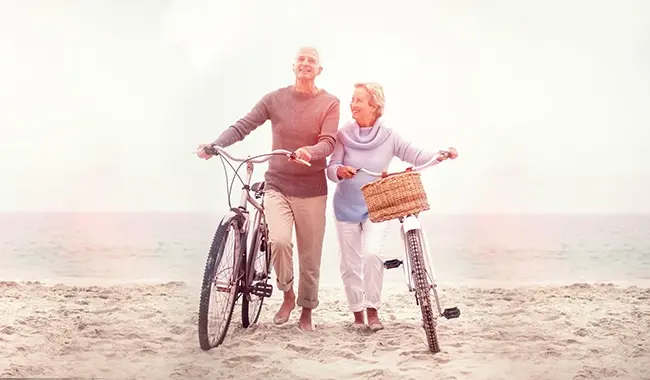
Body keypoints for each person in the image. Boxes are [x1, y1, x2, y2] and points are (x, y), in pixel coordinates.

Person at [196, 47, 341, 331]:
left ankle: (306, 312)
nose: (306, 64)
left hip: (312, 190)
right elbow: (243, 125)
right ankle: (287, 295)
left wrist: (309, 152)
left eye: (312, 61)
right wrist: (216, 145)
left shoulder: (330, 103)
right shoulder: (275, 99)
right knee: (279, 241)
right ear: (293, 65)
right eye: (301, 59)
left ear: (319, 70)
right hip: (277, 184)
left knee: (310, 256)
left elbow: (329, 142)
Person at [326, 82, 457, 331]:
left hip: (378, 206)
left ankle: (372, 310)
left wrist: (439, 155)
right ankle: (357, 313)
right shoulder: (342, 135)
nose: (353, 104)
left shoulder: (389, 135)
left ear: (374, 106)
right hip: (345, 206)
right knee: (349, 264)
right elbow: (331, 168)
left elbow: (415, 155)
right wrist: (340, 171)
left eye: (359, 100)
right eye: (352, 99)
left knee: (373, 254)